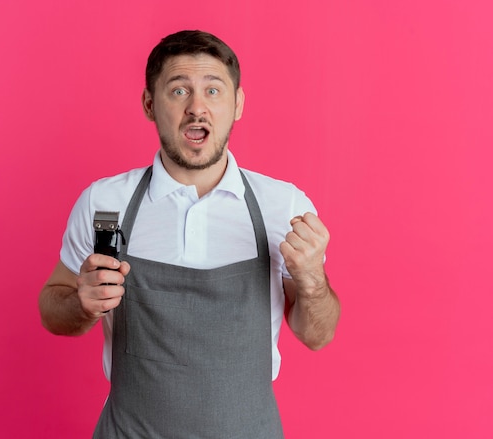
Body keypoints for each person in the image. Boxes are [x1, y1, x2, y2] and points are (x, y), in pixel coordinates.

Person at [39, 29, 340, 438]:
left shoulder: (283, 207)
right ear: (149, 104)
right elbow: (52, 312)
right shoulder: (104, 204)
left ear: (237, 105)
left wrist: (312, 281)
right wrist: (82, 303)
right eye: (179, 91)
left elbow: (318, 335)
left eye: (214, 91)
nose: (197, 108)